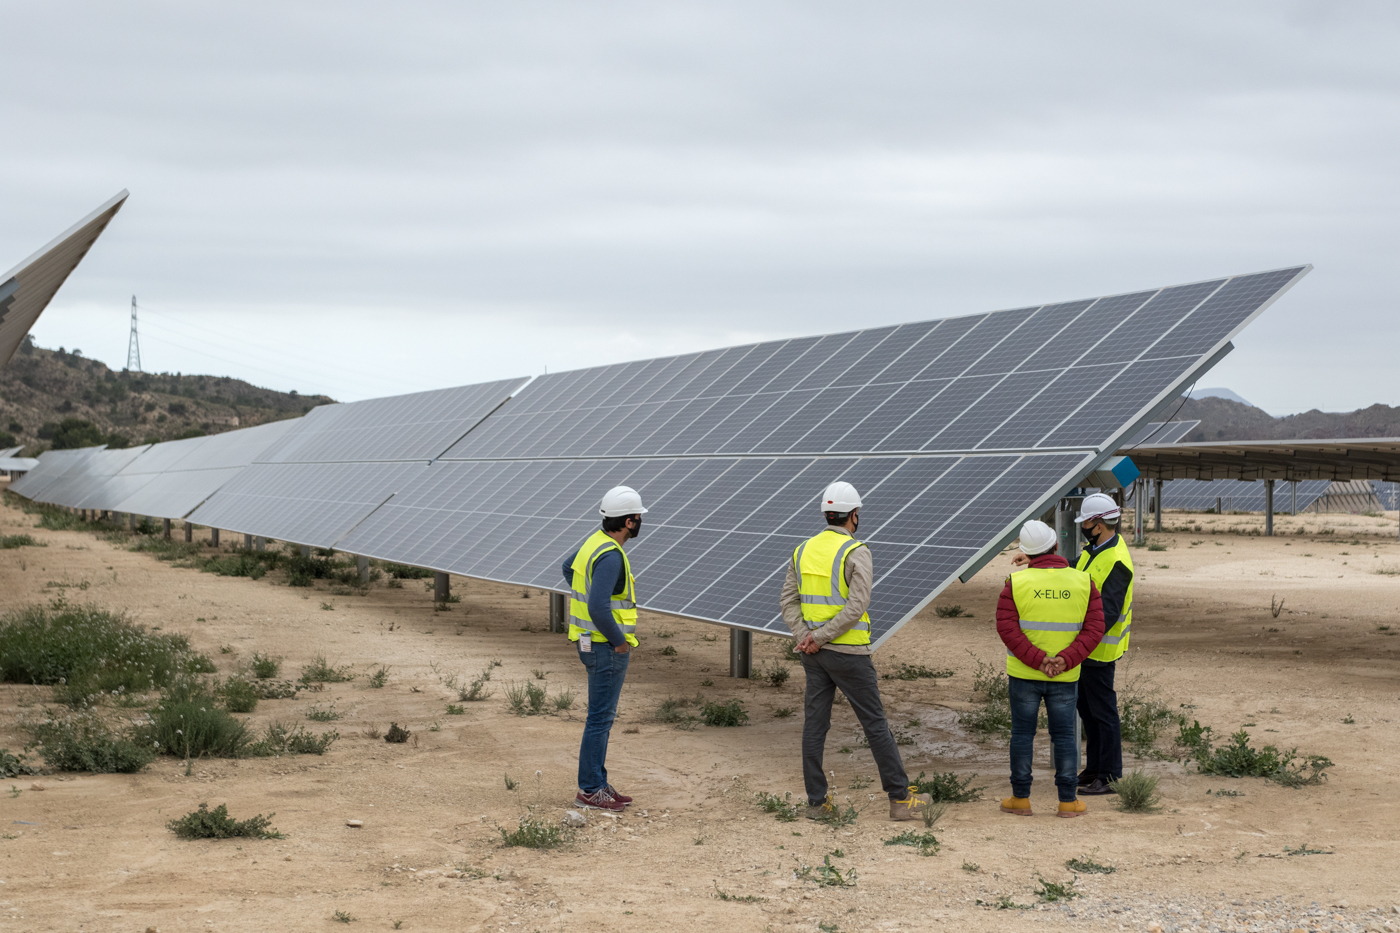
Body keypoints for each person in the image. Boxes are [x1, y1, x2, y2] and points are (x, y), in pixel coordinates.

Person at [780, 480, 933, 822]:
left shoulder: (802, 549)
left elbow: (787, 601)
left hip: (813, 655)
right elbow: (857, 605)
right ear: (853, 516)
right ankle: (899, 799)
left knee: (814, 726)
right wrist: (821, 637)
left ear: (825, 514)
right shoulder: (856, 551)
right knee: (875, 724)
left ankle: (817, 804)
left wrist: (807, 636)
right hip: (848, 653)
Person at [997, 519, 1104, 818]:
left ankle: (1021, 799)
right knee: (1065, 737)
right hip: (1066, 676)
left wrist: (1038, 660)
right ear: (1057, 546)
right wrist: (1065, 659)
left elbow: (1007, 629)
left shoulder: (1015, 583)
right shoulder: (1084, 582)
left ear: (1027, 555)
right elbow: (1095, 628)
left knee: (1021, 735)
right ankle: (1068, 802)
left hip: (1024, 674)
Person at [561, 485, 646, 813]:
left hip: (588, 642)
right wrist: (620, 642)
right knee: (600, 718)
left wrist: (587, 591)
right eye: (637, 518)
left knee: (599, 717)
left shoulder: (594, 542)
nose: (639, 523)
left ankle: (598, 781)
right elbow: (598, 607)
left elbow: (568, 569)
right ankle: (590, 789)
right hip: (605, 647)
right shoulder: (611, 556)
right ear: (628, 522)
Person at [1072, 492, 1135, 795]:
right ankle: (1093, 769)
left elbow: (1107, 614)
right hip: (1085, 650)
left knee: (1103, 713)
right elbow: (1076, 568)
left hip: (1098, 650)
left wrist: (1079, 646)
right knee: (1088, 711)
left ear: (1098, 524)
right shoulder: (1095, 550)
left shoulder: (1117, 561)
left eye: (1086, 522)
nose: (1083, 526)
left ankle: (1109, 776)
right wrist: (1040, 561)